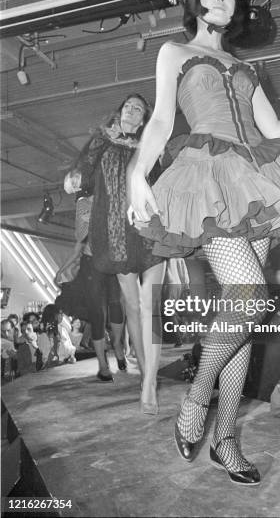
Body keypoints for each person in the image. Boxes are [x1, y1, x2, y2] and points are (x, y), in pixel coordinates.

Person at [127, 0, 280, 485]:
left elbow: (273, 129)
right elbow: (163, 119)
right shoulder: (175, 52)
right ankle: (195, 401)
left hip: (251, 176)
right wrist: (135, 174)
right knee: (251, 294)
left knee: (243, 317)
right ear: (195, 3)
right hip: (209, 173)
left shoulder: (244, 66)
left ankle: (226, 440)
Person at [67, 94, 166, 412]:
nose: (132, 110)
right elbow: (82, 168)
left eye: (139, 108)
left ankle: (149, 383)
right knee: (133, 308)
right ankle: (143, 374)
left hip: (149, 228)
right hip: (115, 233)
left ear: (144, 117)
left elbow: (164, 181)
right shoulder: (102, 139)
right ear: (120, 112)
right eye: (128, 106)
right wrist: (73, 180)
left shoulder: (151, 142)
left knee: (151, 307)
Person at [55, 189, 125, 381]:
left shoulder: (114, 199)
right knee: (97, 314)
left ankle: (118, 345)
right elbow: (80, 242)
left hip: (112, 262)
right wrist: (62, 268)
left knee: (116, 304)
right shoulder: (84, 203)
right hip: (91, 264)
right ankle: (103, 365)